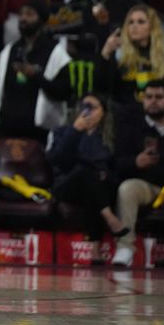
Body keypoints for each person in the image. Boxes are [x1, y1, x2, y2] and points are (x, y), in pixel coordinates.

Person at [111, 81, 164, 268]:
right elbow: (117, 163)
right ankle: (125, 248)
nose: (153, 101)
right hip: (148, 187)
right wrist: (135, 162)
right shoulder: (132, 130)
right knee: (127, 189)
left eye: (159, 97)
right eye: (148, 97)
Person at [47, 94, 128, 263]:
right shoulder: (63, 131)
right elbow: (58, 161)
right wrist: (75, 131)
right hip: (67, 185)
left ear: (103, 113)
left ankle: (96, 253)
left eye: (93, 107)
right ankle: (109, 217)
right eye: (84, 106)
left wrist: (107, 175)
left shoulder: (111, 137)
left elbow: (119, 167)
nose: (87, 111)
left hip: (97, 187)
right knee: (86, 172)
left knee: (91, 184)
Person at [0, 0, 72, 142]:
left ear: (42, 19)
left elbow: (64, 92)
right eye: (21, 14)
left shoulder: (56, 52)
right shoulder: (10, 50)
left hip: (39, 133)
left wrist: (36, 76)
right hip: (7, 129)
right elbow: (0, 90)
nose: (23, 18)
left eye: (29, 14)